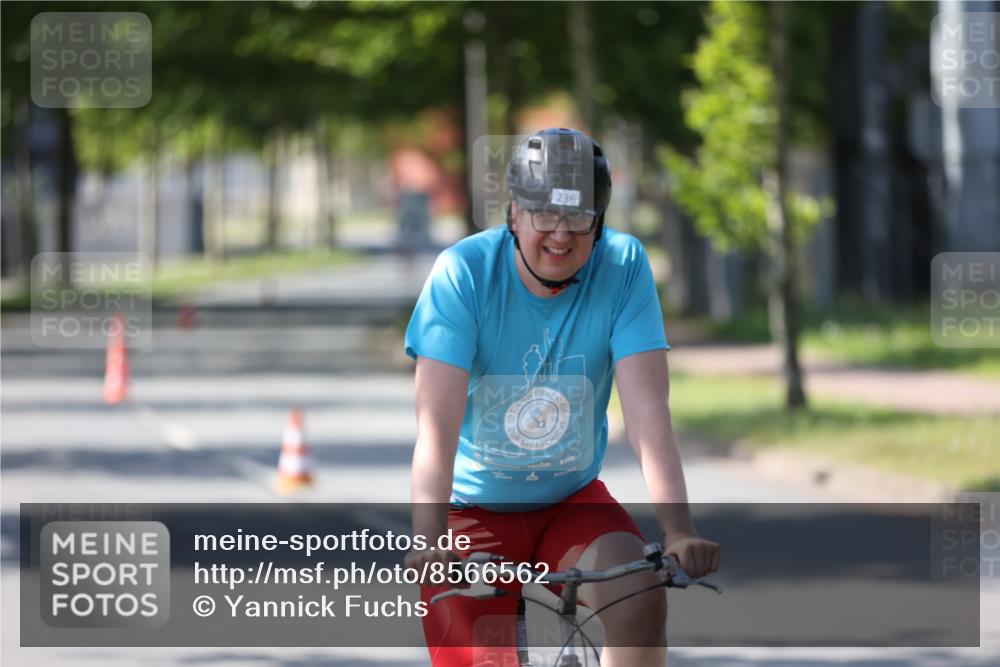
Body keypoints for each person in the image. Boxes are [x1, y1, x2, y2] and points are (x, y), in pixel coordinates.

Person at [404, 128, 720, 666]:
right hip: (471, 513)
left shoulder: (622, 266)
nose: (560, 234)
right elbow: (435, 429)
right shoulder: (463, 274)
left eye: (579, 218)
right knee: (483, 655)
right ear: (513, 215)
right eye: (543, 215)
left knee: (639, 599)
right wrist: (429, 538)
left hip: (572, 502)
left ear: (598, 223)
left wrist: (678, 529)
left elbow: (647, 413)